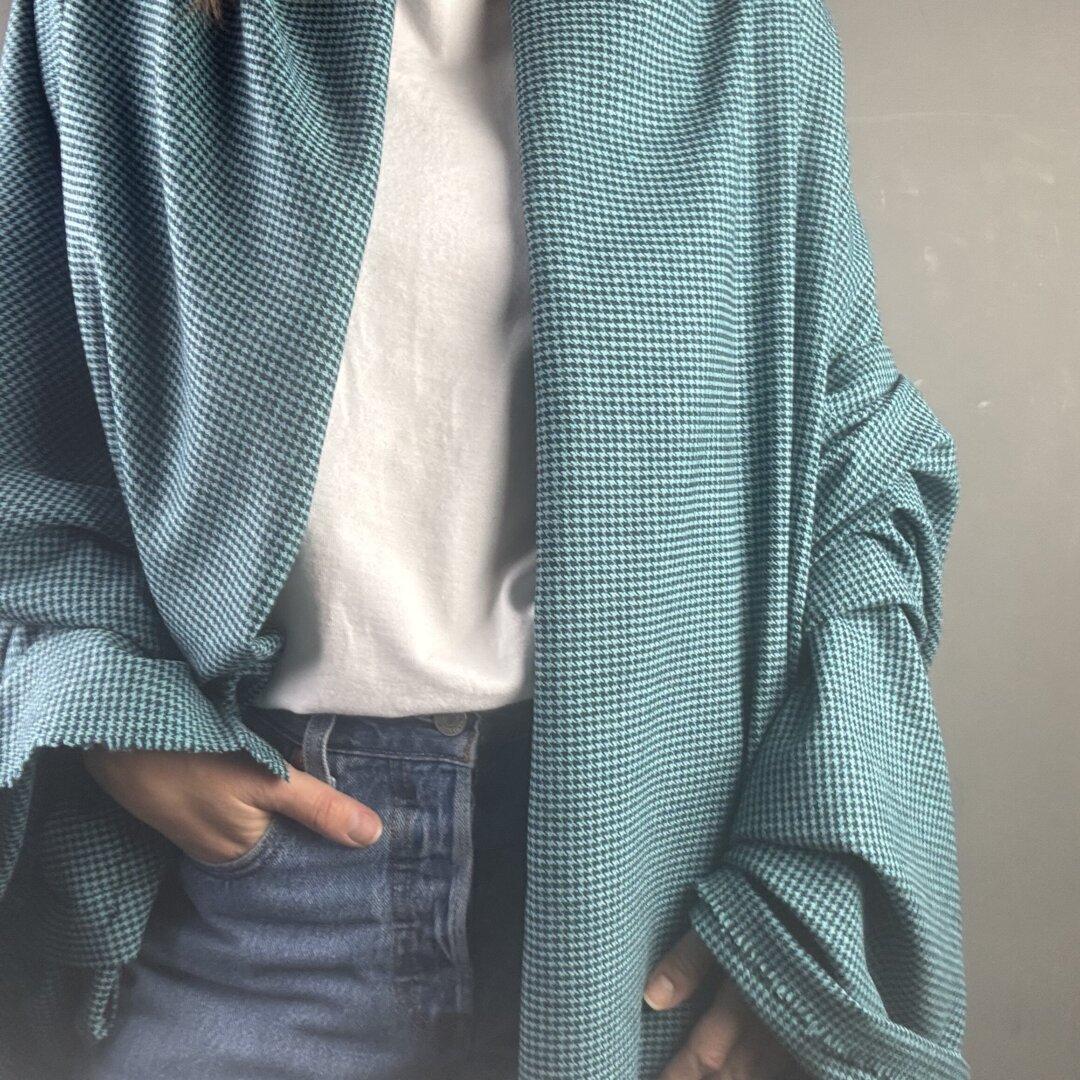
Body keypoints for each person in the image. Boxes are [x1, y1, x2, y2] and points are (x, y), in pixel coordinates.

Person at [0, 1, 970, 1078]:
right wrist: (111, 713)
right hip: (256, 881)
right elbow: (28, 416)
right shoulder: (118, 23)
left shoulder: (741, 28)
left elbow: (855, 467)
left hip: (642, 880)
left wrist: (800, 898)